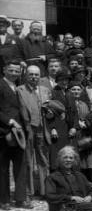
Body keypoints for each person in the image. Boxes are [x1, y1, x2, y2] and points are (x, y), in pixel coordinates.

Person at [17, 65, 52, 197]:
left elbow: (51, 109)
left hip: (43, 129)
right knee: (28, 159)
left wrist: (50, 114)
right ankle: (29, 190)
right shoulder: (20, 90)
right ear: (26, 75)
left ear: (40, 75)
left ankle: (44, 190)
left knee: (43, 159)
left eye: (36, 74)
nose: (34, 77)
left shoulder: (45, 90)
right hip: (28, 128)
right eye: (31, 74)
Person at [0, 59, 29, 209]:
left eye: (17, 71)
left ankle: (20, 198)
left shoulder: (18, 87)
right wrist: (10, 121)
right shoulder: (1, 85)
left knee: (20, 166)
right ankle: (4, 200)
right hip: (3, 132)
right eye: (11, 70)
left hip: (19, 133)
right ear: (4, 70)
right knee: (3, 168)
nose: (14, 73)